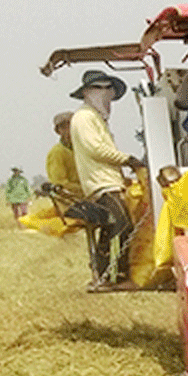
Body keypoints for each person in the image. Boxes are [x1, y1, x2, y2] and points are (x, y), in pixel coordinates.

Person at [68, 69, 145, 289]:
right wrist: (128, 159)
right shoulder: (83, 117)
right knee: (122, 225)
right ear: (86, 93)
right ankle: (109, 276)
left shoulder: (96, 119)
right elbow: (96, 149)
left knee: (116, 225)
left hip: (109, 181)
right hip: (100, 183)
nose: (105, 93)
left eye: (108, 88)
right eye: (99, 88)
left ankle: (107, 275)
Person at [45, 111, 82, 198]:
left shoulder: (86, 148)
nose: (68, 131)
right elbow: (60, 183)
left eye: (71, 126)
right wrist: (84, 188)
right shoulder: (57, 152)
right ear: (58, 131)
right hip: (69, 201)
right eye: (64, 128)